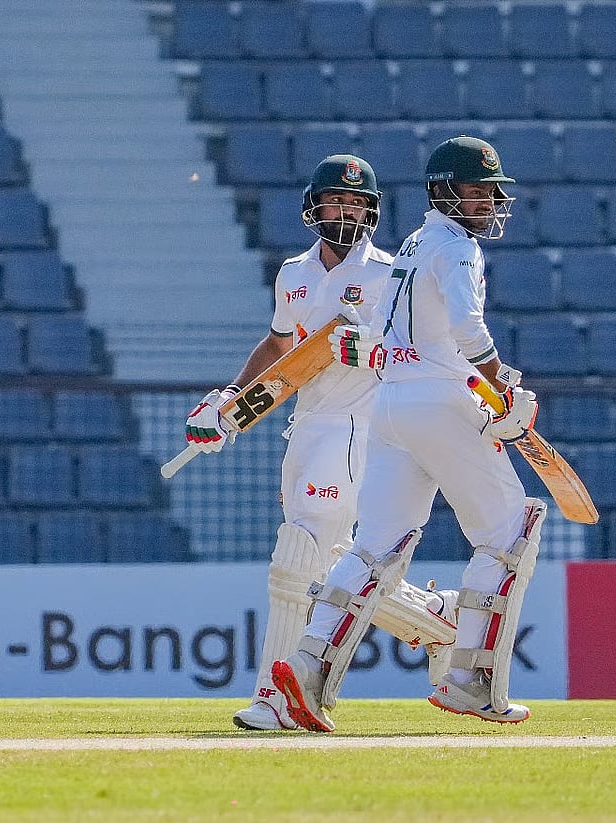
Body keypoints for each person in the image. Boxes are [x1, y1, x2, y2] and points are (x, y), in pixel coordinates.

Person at [271, 135, 547, 733]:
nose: (485, 204)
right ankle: (471, 680)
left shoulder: (416, 243)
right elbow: (468, 330)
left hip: (390, 406)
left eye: (489, 195)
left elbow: (393, 331)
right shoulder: (456, 247)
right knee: (507, 535)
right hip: (441, 398)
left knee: (375, 547)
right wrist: (501, 388)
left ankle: (307, 669)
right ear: (444, 191)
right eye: (474, 192)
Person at [184, 155, 455, 731]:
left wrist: (374, 350)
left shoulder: (391, 275)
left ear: (373, 211)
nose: (348, 212)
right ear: (314, 207)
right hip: (307, 426)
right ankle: (436, 621)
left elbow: (426, 353)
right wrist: (228, 400)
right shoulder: (294, 274)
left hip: (362, 430)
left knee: (296, 556)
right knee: (328, 566)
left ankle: (276, 697)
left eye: (359, 204)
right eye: (338, 201)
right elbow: (281, 346)